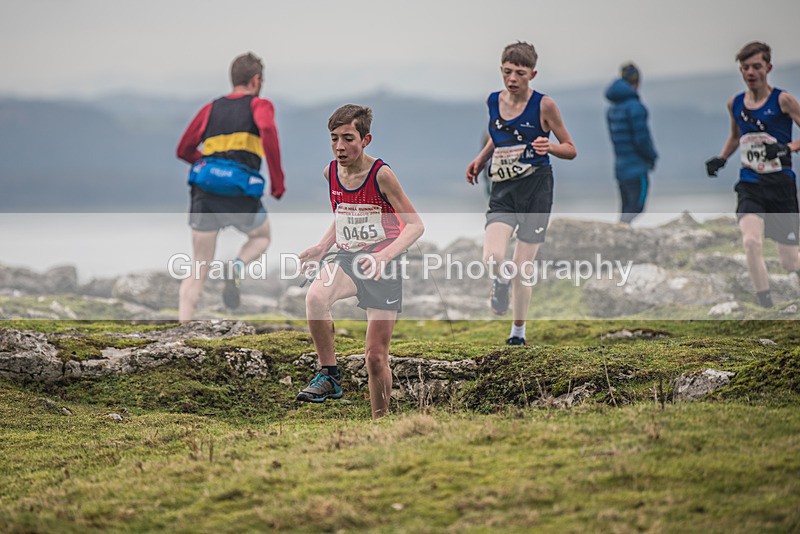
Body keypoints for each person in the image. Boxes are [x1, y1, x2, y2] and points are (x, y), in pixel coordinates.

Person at [296, 104, 424, 419]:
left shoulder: (382, 174)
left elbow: (416, 225)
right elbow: (344, 215)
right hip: (349, 257)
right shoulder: (331, 173)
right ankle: (329, 375)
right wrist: (322, 246)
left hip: (384, 262)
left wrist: (385, 255)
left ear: (365, 140)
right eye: (334, 138)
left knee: (376, 358)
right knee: (315, 296)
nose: (340, 147)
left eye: (348, 138)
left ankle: (380, 423)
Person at [466, 41, 576, 345]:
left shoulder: (544, 105)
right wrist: (481, 158)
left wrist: (549, 146)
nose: (512, 79)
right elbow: (497, 133)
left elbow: (571, 149)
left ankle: (518, 333)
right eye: (507, 72)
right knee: (492, 257)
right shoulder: (493, 100)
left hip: (537, 188)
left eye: (520, 73)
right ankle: (499, 280)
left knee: (523, 268)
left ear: (533, 74)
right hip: (504, 188)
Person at [175, 52, 286, 322]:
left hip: (205, 194)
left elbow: (183, 149)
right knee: (261, 237)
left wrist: (211, 166)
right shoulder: (260, 105)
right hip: (240, 192)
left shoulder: (209, 109)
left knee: (199, 265)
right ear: (256, 80)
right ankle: (237, 266)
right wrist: (277, 181)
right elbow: (268, 131)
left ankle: (182, 329)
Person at [705, 41, 800, 308]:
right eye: (745, 67)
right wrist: (721, 158)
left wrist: (787, 148)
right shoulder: (734, 103)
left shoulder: (783, 100)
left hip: (781, 186)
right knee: (750, 241)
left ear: (768, 68)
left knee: (790, 261)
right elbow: (736, 136)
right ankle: (765, 304)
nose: (750, 72)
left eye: (756, 66)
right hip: (751, 184)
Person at [605, 62, 658, 224]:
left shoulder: (612, 109)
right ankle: (620, 235)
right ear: (637, 82)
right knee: (637, 206)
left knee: (626, 207)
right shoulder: (635, 107)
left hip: (620, 167)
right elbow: (642, 138)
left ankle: (620, 236)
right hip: (637, 167)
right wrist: (652, 157)